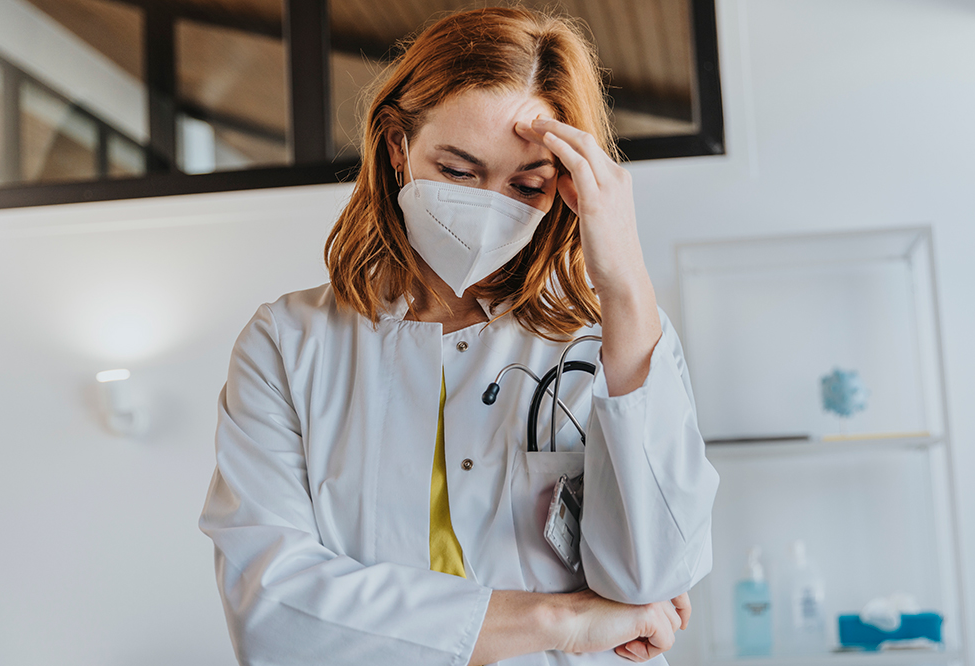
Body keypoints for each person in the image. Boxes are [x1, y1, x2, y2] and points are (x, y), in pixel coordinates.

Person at [198, 7, 719, 665]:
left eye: (526, 185)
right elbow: (275, 616)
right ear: (396, 147)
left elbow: (654, 577)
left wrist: (623, 281)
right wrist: (561, 619)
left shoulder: (605, 337)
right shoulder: (289, 344)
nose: (488, 208)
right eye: (458, 171)